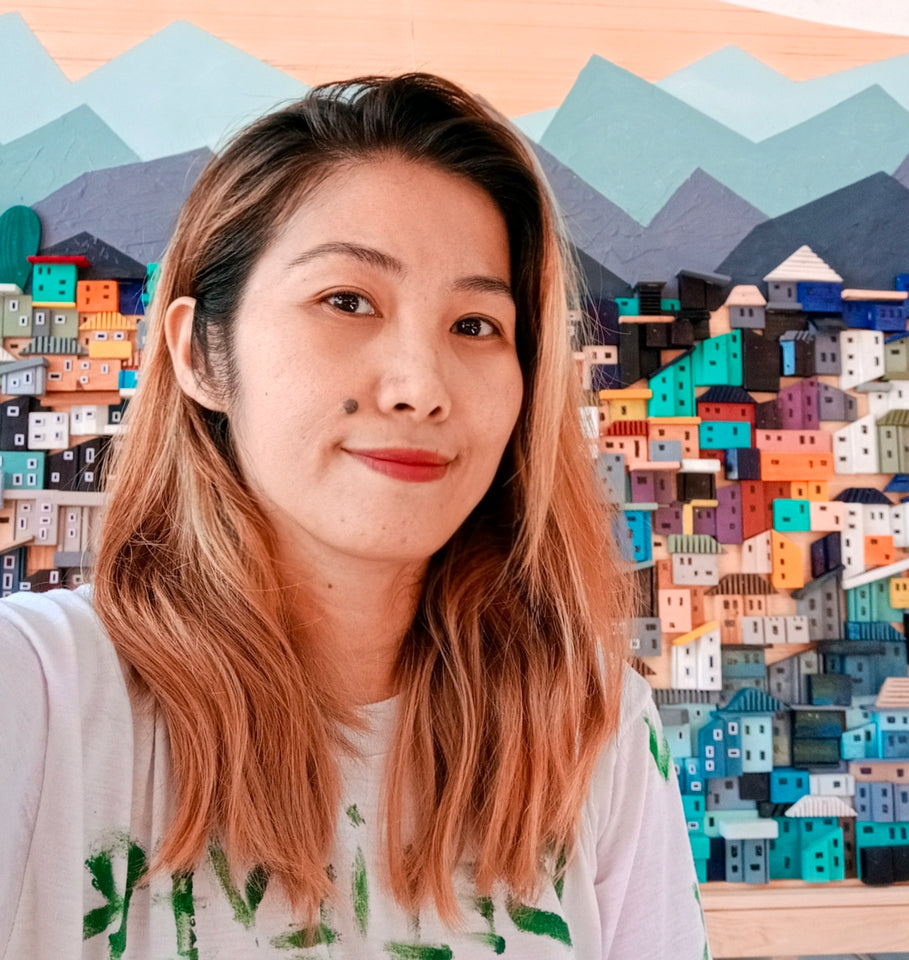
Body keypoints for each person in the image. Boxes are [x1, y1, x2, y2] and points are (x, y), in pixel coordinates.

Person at [0, 74, 708, 959]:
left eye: (476, 325)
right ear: (201, 354)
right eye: (347, 301)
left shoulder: (593, 732)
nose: (420, 386)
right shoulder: (39, 699)